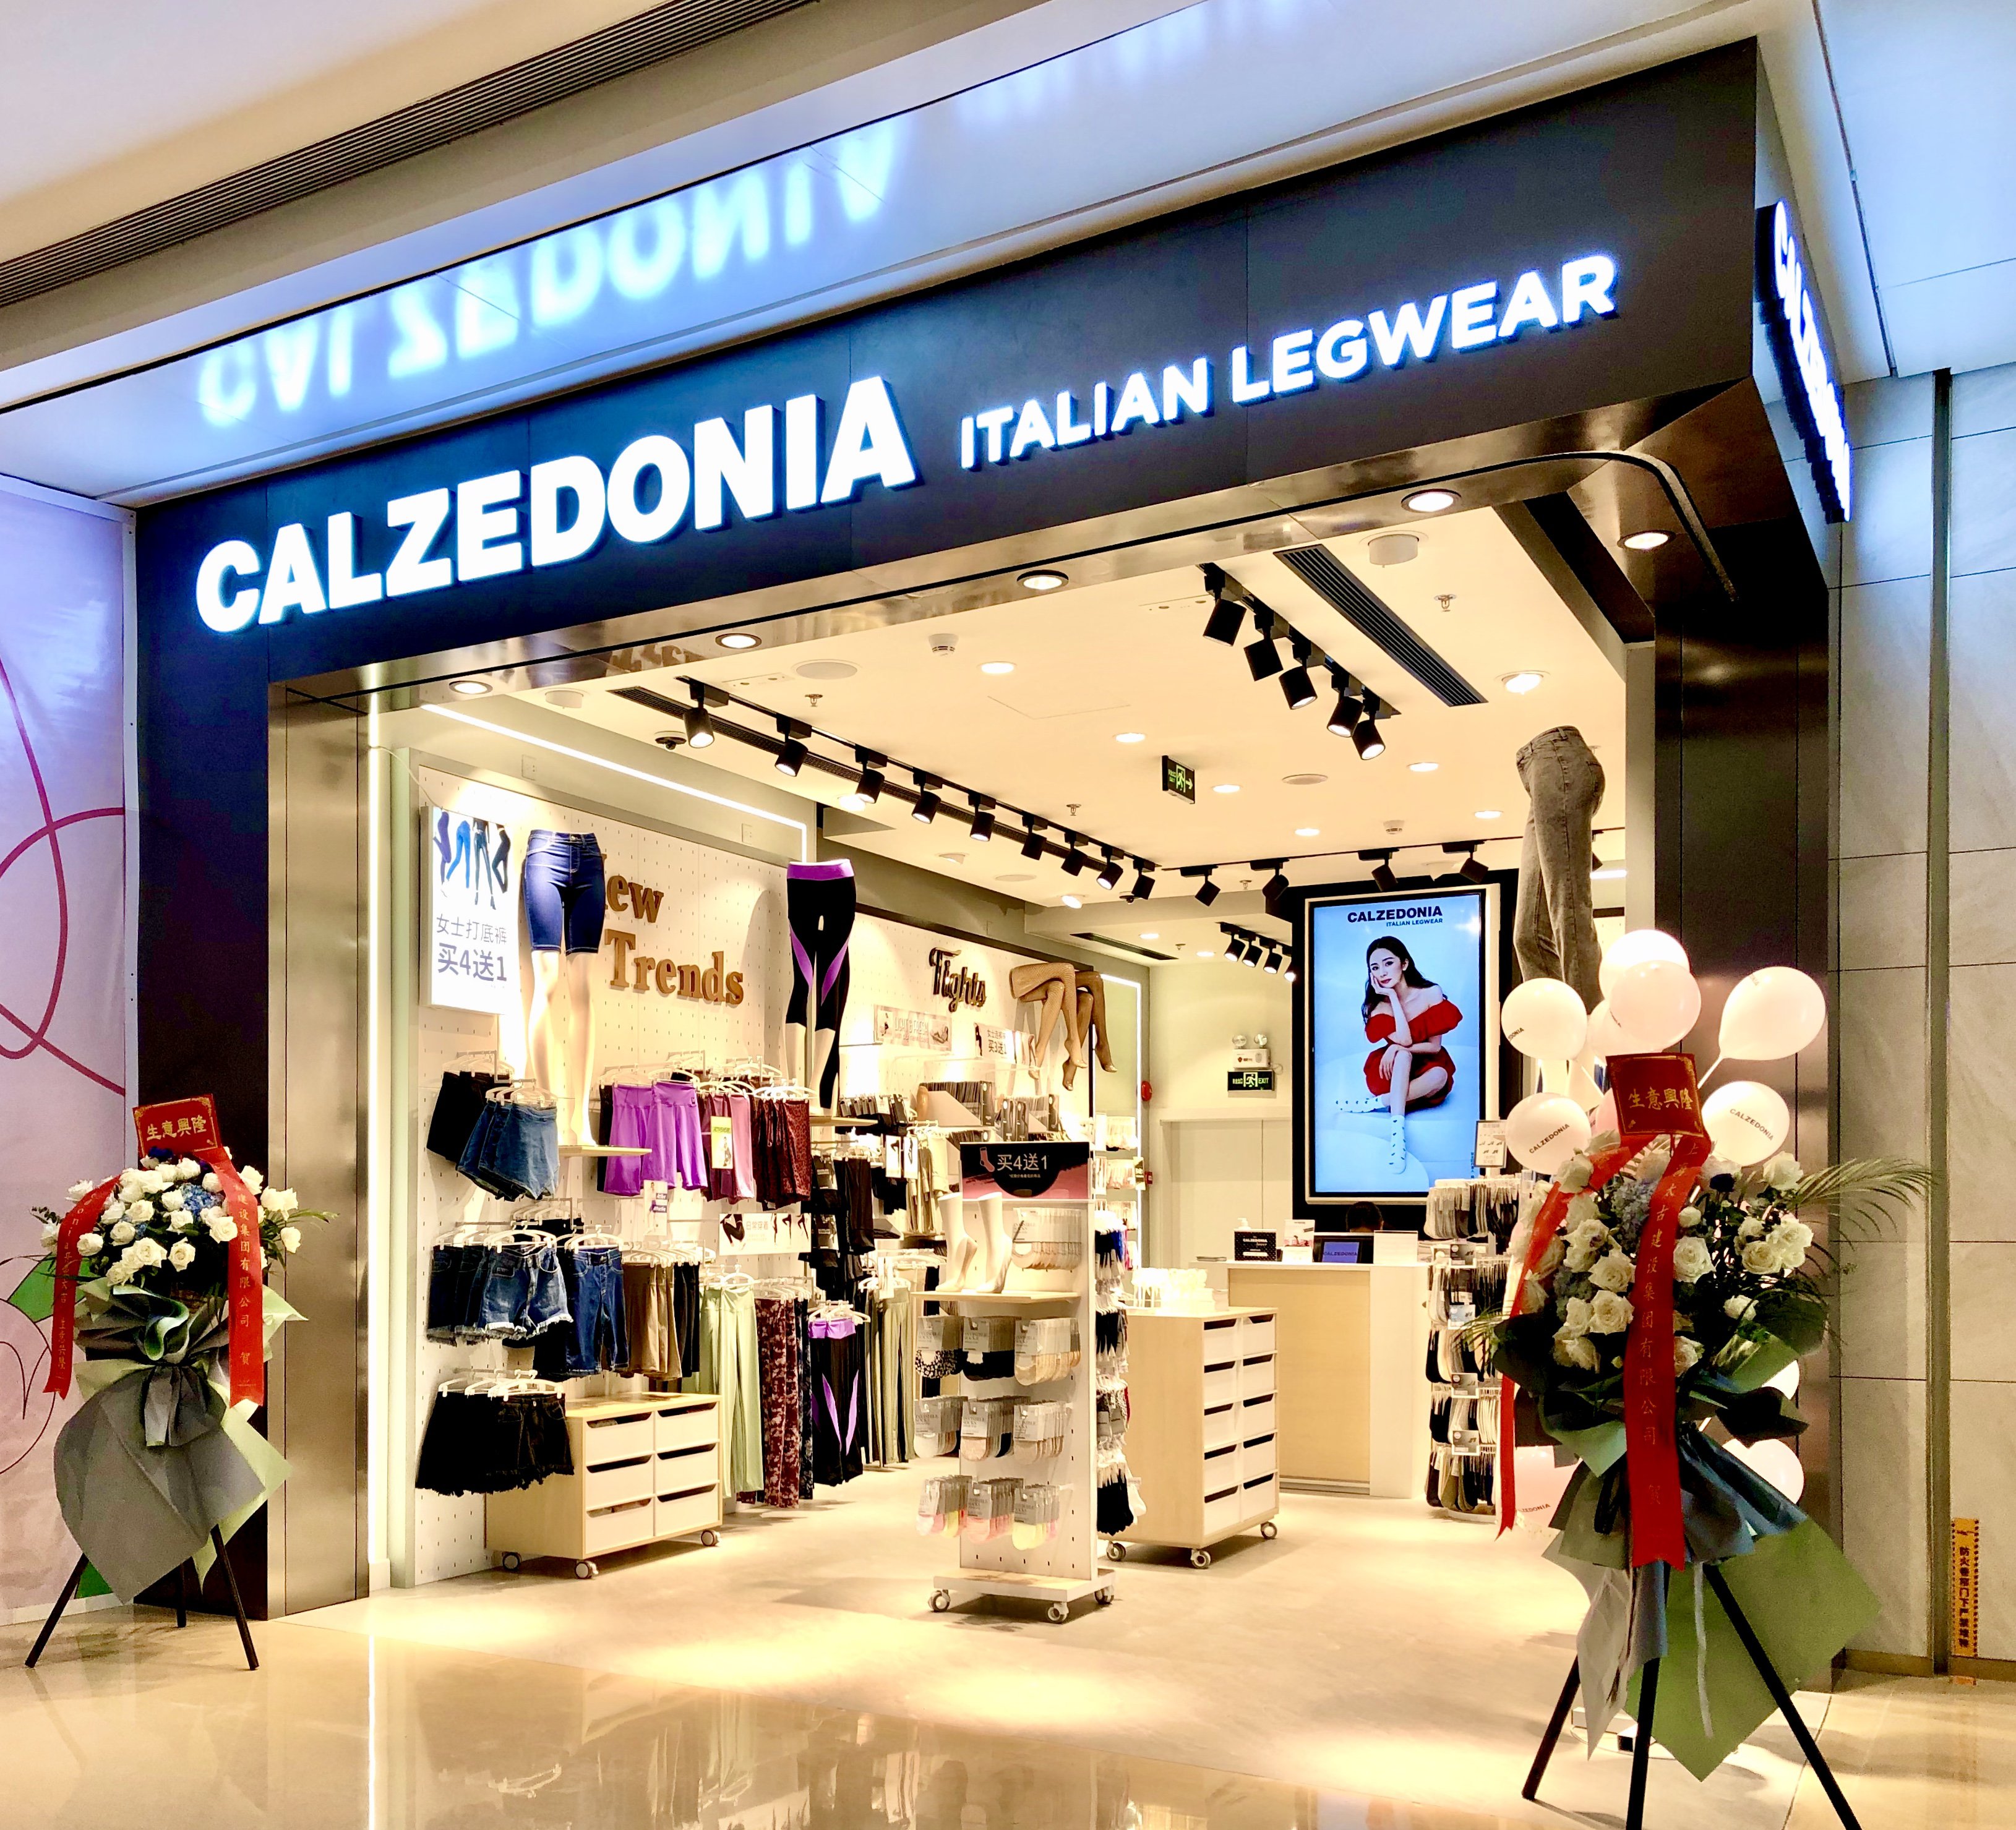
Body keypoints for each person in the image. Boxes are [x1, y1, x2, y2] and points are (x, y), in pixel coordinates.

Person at [1347, 935, 1462, 1170]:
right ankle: (1397, 1137)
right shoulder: (1377, 1006)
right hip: (1391, 1069)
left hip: (1427, 1064)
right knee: (1403, 1055)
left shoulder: (1431, 993)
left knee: (1440, 1075)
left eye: (1388, 963)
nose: (1382, 972)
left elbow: (1434, 1047)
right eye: (1375, 968)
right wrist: (1392, 997)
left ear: (1405, 964)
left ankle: (1379, 1103)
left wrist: (1397, 1047)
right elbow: (1405, 1040)